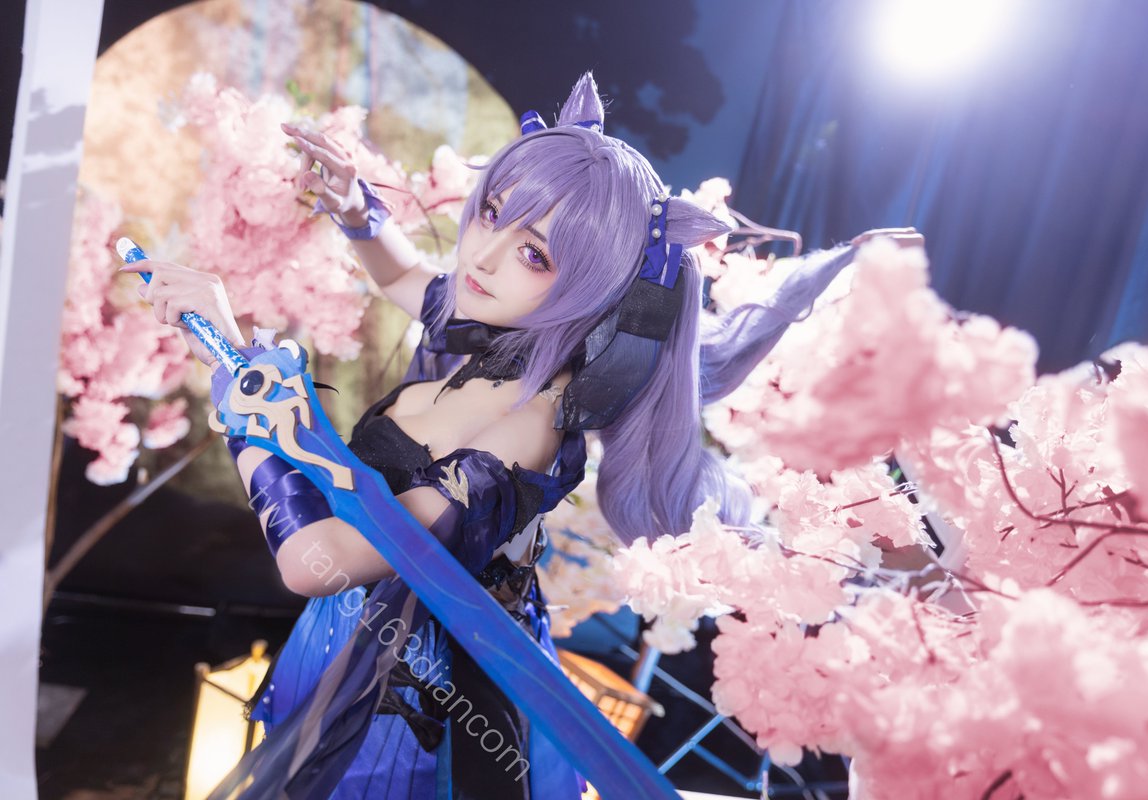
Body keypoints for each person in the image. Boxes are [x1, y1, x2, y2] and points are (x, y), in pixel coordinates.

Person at [132, 73, 920, 798]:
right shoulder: (504, 339)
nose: (483, 255)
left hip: (417, 705)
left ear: (596, 291)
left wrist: (243, 383)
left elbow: (316, 560)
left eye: (535, 254)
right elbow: (405, 278)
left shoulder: (526, 431)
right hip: (352, 642)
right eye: (492, 213)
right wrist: (356, 211)